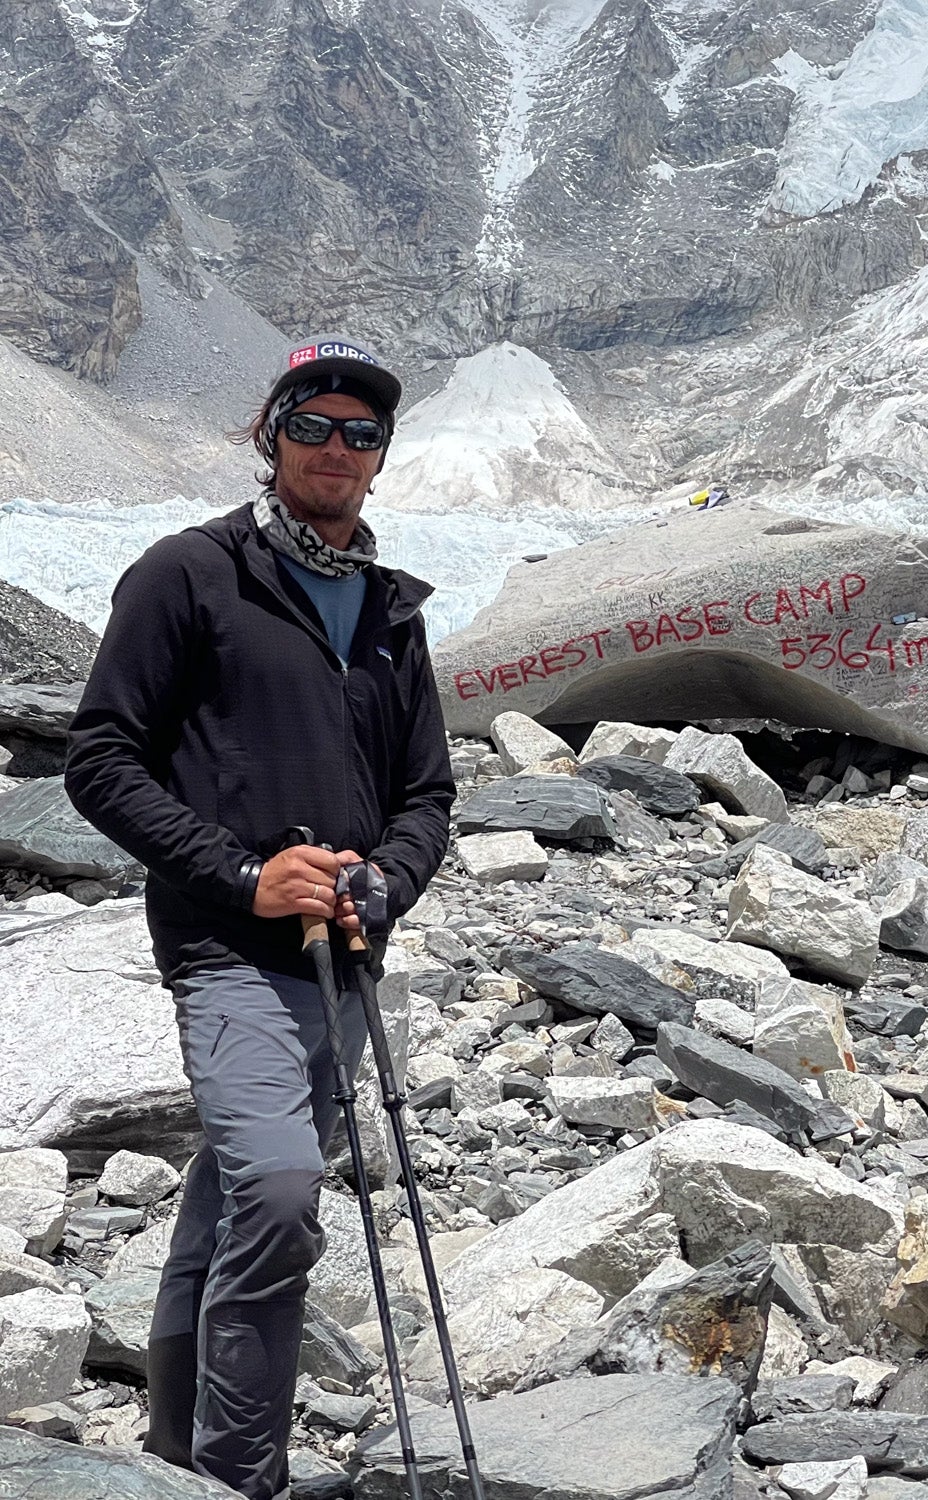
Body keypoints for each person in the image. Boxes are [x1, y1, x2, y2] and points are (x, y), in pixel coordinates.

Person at [65, 336, 456, 1500]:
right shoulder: (191, 574)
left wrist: (385, 877)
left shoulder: (392, 609)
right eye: (314, 424)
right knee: (283, 1194)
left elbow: (428, 793)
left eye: (362, 433)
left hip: (346, 961)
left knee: (230, 1206)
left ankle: (175, 1457)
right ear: (269, 434)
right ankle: (245, 1479)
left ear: (381, 461)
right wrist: (243, 876)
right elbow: (101, 758)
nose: (337, 448)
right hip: (225, 950)